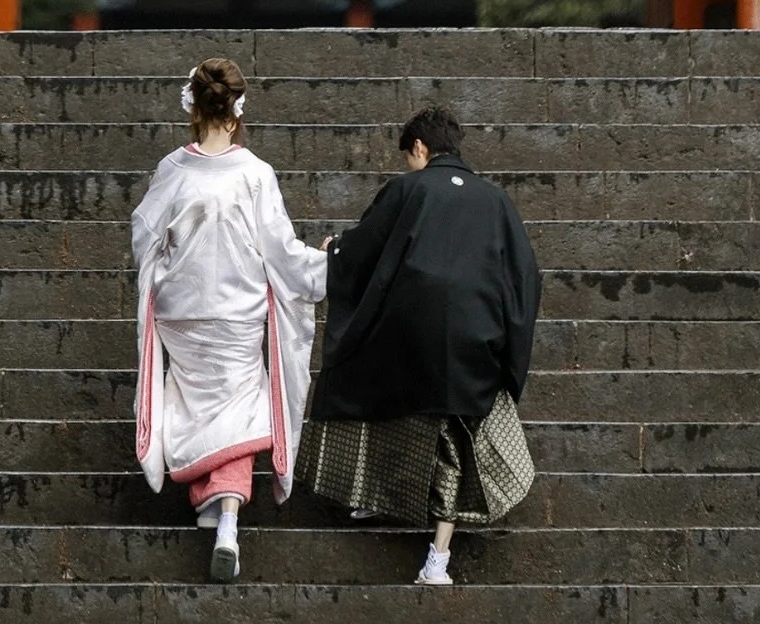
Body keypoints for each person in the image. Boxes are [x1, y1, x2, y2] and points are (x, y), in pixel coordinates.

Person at [297, 103, 541, 587]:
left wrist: (334, 252)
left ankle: (371, 495)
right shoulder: (496, 202)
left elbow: (366, 246)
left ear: (421, 148)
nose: (408, 165)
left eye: (409, 156)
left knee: (376, 377)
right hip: (475, 338)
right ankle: (438, 560)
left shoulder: (407, 189)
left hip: (408, 333)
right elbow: (525, 276)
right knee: (452, 434)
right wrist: (506, 349)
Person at [131, 56, 326, 583]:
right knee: (237, 406)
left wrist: (167, 270)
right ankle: (228, 522)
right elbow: (282, 253)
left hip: (185, 315)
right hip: (238, 314)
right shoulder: (256, 175)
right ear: (237, 112)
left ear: (193, 109)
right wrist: (323, 264)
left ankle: (211, 505)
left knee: (198, 403)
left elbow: (144, 238)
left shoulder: (173, 170)